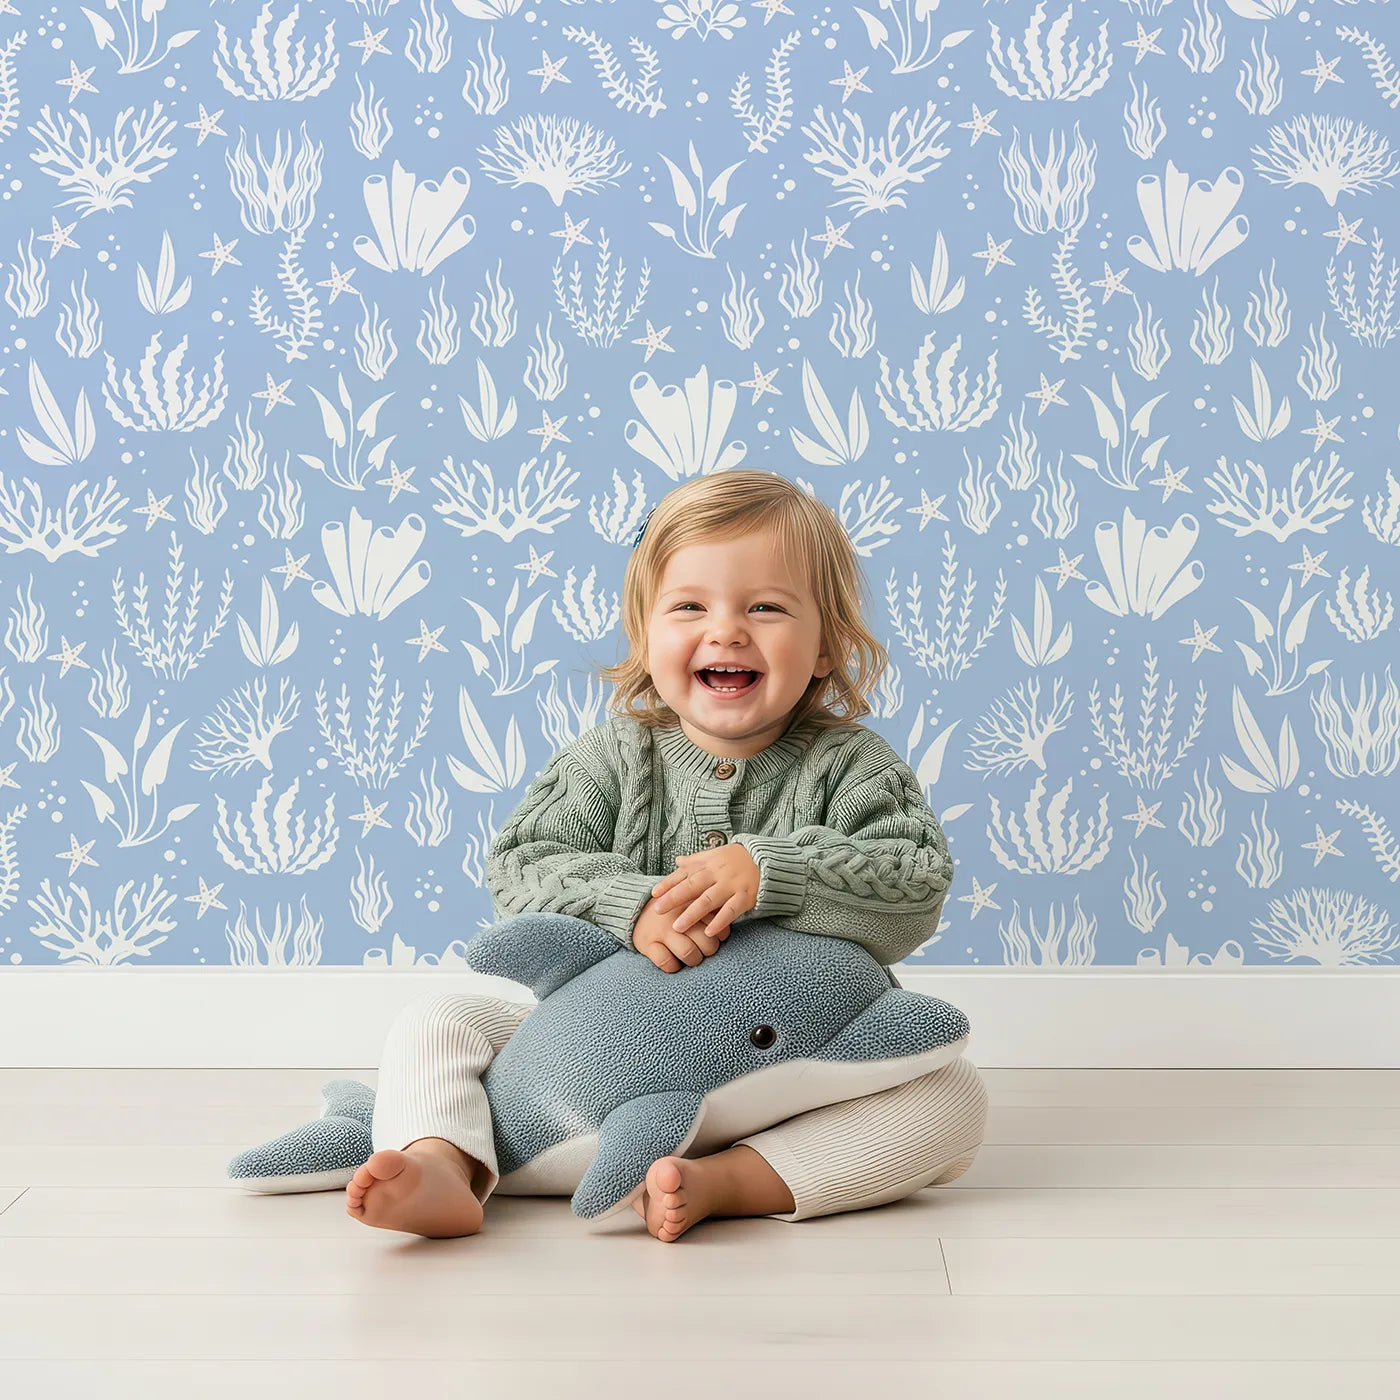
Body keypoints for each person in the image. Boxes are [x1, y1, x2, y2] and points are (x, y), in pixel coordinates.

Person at [346, 469, 989, 1241]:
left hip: (791, 1072)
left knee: (953, 1097)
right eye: (690, 606)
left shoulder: (854, 766)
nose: (726, 631)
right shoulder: (613, 757)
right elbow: (521, 866)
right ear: (646, 637)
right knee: (441, 1016)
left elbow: (916, 883)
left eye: (766, 607)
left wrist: (775, 871)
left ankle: (730, 1181)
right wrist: (631, 905)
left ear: (827, 648)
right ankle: (443, 1161)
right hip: (601, 1062)